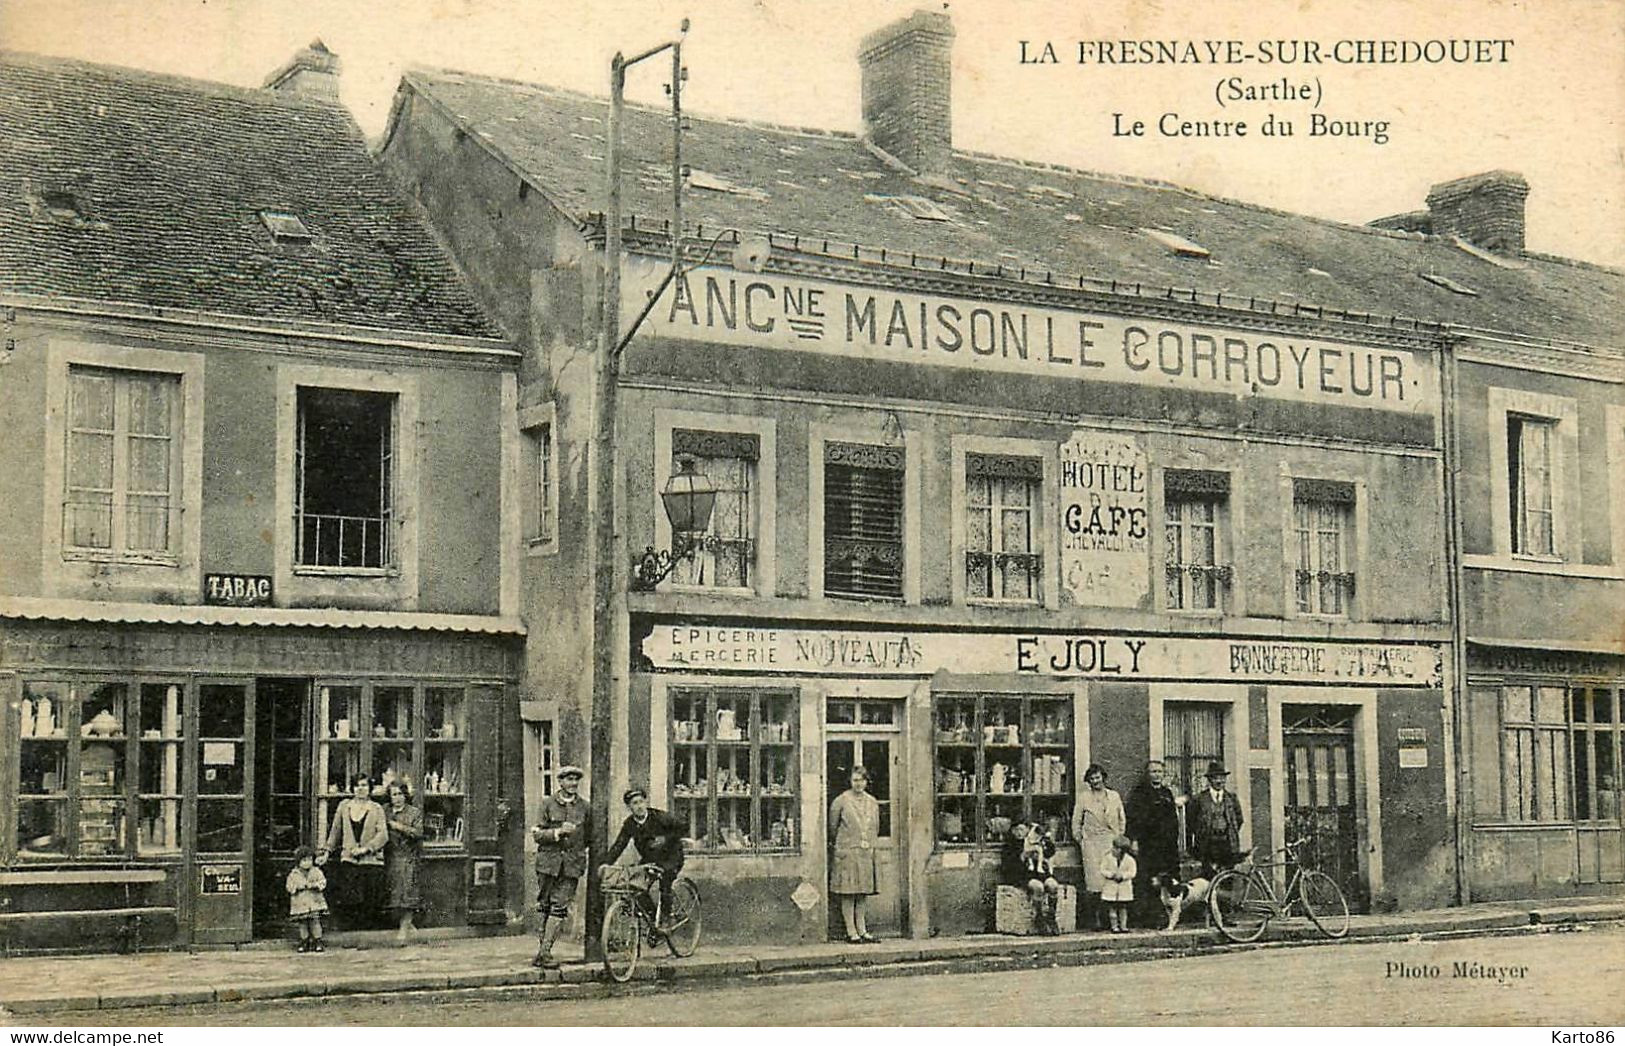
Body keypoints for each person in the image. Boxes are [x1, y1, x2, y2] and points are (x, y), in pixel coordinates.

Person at [530, 764, 589, 968]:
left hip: (571, 865)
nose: (573, 783)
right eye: (568, 779)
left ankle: (545, 952)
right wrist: (557, 833)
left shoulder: (585, 807)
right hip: (547, 864)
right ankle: (541, 951)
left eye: (576, 780)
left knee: (560, 906)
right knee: (545, 905)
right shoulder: (547, 804)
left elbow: (588, 837)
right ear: (560, 782)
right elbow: (537, 834)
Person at [605, 787, 685, 929]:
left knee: (665, 880)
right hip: (651, 859)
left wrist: (665, 839)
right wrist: (606, 864)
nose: (639, 806)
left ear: (646, 802)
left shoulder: (660, 817)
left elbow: (681, 828)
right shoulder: (629, 824)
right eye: (635, 803)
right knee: (637, 886)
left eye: (641, 802)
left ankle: (667, 917)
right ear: (629, 807)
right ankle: (654, 919)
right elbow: (619, 845)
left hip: (672, 856)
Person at [320, 773, 388, 930]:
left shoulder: (376, 808)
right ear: (353, 788)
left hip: (370, 861)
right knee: (350, 899)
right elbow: (335, 831)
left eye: (364, 785)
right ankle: (351, 936)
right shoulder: (344, 806)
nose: (361, 789)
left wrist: (366, 848)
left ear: (369, 788)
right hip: (349, 859)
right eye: (357, 785)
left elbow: (383, 835)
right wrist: (327, 851)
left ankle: (366, 938)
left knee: (369, 902)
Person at [829, 765, 882, 944]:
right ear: (850, 781)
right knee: (848, 892)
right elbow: (832, 827)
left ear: (866, 782)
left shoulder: (872, 802)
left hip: (865, 852)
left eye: (861, 780)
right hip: (847, 852)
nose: (858, 784)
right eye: (855, 780)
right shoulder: (841, 801)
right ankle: (851, 931)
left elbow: (876, 827)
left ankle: (863, 929)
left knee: (862, 893)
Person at [1071, 763, 1125, 930]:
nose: (1095, 780)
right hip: (1091, 844)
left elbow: (1121, 817)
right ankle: (1095, 919)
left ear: (1103, 777)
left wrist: (1119, 837)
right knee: (1094, 882)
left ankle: (1111, 920)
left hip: (1110, 842)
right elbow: (1076, 820)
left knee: (1110, 879)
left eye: (1098, 777)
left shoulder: (1114, 796)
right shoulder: (1084, 797)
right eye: (1092, 778)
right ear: (1089, 781)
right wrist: (1081, 839)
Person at [1127, 760, 1180, 927]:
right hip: (1148, 846)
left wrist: (1173, 840)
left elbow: (1173, 819)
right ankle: (1148, 918)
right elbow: (1133, 820)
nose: (1156, 775)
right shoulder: (1139, 794)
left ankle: (1167, 916)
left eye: (1159, 772)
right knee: (1148, 881)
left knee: (1167, 880)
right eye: (1153, 772)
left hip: (1167, 846)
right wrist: (1134, 840)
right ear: (1147, 774)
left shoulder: (1167, 793)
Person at [383, 779, 424, 943]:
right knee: (394, 895)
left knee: (407, 894)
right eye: (394, 794)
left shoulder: (414, 812)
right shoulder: (385, 810)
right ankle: (407, 926)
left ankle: (404, 927)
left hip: (408, 857)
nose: (397, 798)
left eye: (400, 794)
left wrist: (397, 826)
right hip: (390, 856)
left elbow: (419, 833)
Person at [1190, 761, 1245, 876]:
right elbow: (1191, 823)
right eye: (1215, 778)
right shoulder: (1199, 799)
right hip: (1208, 846)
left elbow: (1239, 820)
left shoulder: (1232, 798)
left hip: (1227, 845)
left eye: (1222, 778)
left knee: (1227, 879)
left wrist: (1228, 833)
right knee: (1209, 879)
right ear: (1210, 780)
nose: (1219, 781)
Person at [1020, 822, 1061, 935]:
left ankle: (1051, 917)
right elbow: (1014, 862)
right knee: (1038, 887)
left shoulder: (1042, 841)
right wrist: (1024, 856)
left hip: (1042, 872)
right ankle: (1039, 917)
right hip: (1027, 874)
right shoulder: (1020, 843)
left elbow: (1050, 853)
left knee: (1053, 885)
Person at [286, 845, 328, 953]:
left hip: (314, 902)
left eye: (309, 860)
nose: (307, 863)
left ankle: (318, 940)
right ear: (298, 862)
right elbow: (289, 887)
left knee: (315, 921)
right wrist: (297, 887)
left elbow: (323, 882)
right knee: (303, 923)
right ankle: (304, 941)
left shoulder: (316, 871)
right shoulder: (294, 874)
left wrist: (316, 885)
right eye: (304, 860)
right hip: (300, 903)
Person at [1098, 835, 1138, 933]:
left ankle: (1123, 926)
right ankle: (1114, 926)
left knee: (1123, 908)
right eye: (1114, 847)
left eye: (1116, 848)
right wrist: (1111, 875)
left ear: (1122, 850)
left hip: (1124, 887)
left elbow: (1132, 872)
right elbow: (1103, 869)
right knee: (1112, 908)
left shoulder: (1130, 860)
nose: (1113, 850)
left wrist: (1123, 876)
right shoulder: (1107, 858)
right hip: (1111, 886)